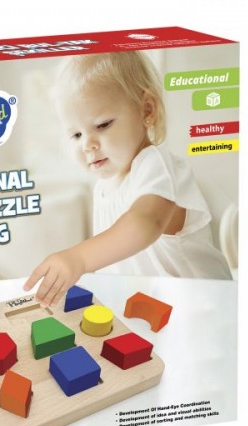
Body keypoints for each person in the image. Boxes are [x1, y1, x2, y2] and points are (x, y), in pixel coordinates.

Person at [24, 52, 232, 307]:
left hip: (204, 307)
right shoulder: (103, 188)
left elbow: (144, 223)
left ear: (147, 110)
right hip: (154, 310)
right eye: (76, 134)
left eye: (102, 125)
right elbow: (117, 262)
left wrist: (79, 258)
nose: (87, 144)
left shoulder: (156, 164)